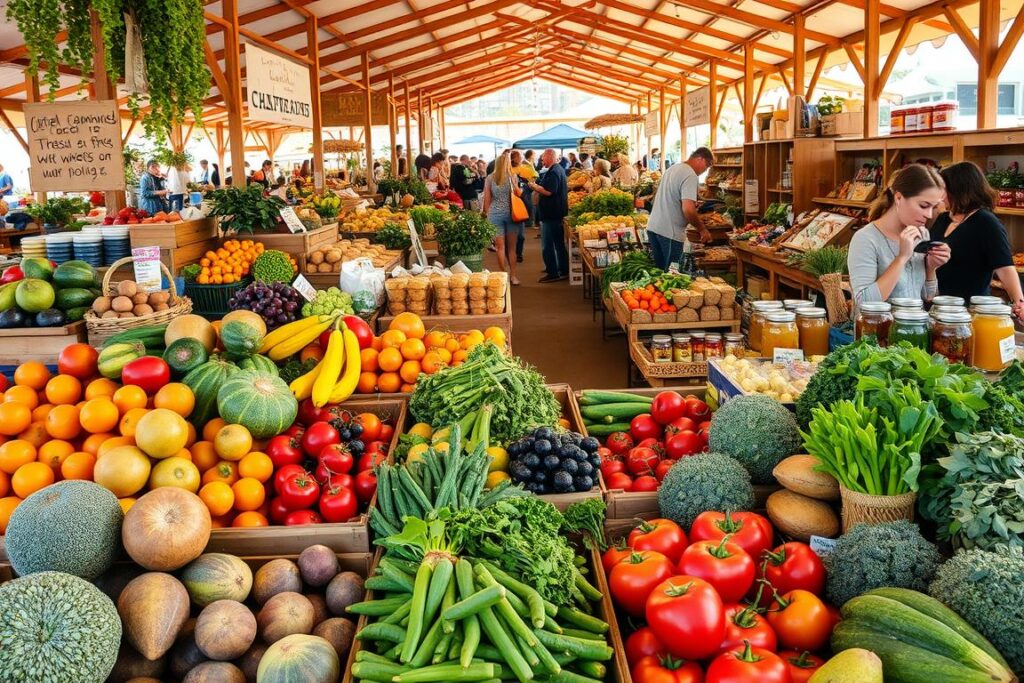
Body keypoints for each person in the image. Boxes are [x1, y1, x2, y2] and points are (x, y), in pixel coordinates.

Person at [848, 163, 951, 311]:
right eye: (923, 205)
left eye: (933, 207)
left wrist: (931, 267)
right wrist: (902, 258)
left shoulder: (922, 234)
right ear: (898, 198)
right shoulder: (865, 239)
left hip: (915, 329)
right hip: (879, 332)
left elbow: (928, 297)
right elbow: (864, 303)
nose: (929, 215)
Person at [930, 161, 1024, 317]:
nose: (940, 195)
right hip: (938, 308)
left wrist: (1020, 303)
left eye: (943, 189)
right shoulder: (943, 219)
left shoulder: (986, 222)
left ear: (959, 189)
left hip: (970, 312)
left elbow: (1005, 268)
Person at [646, 147, 714, 270]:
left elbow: (672, 198)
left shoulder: (673, 168)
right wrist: (702, 229)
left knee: (660, 275)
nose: (705, 170)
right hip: (670, 233)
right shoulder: (690, 175)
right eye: (707, 165)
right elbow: (688, 209)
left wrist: (692, 205)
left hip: (654, 228)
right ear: (700, 159)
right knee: (672, 277)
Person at [482, 152, 524, 286]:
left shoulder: (489, 178)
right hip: (512, 214)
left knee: (500, 248)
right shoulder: (513, 176)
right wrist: (513, 183)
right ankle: (514, 276)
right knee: (512, 249)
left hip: (494, 215)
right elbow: (519, 194)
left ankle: (503, 275)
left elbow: (487, 199)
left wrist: (487, 215)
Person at [529, 148, 570, 283]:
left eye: (543, 158)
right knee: (558, 243)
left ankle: (553, 272)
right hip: (556, 213)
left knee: (548, 244)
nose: (541, 160)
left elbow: (548, 192)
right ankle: (562, 270)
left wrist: (535, 187)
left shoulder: (553, 172)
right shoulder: (557, 170)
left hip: (552, 214)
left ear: (550, 157)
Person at [515, 150, 540, 228]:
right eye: (534, 154)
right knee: (528, 203)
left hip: (529, 186)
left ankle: (529, 221)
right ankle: (528, 221)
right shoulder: (525, 164)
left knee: (529, 203)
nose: (535, 156)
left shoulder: (530, 163)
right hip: (526, 186)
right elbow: (525, 175)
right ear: (531, 155)